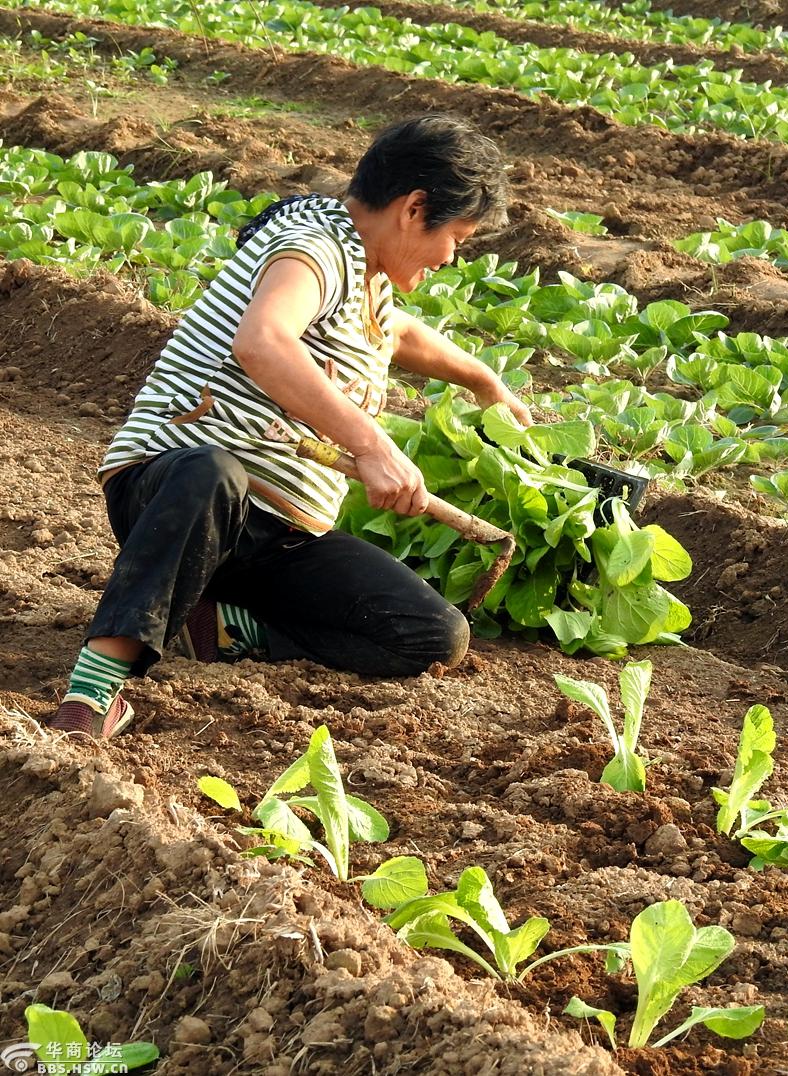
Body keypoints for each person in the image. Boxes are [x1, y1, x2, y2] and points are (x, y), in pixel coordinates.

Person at [48, 114, 532, 740]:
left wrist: (484, 381)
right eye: (457, 238)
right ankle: (93, 695)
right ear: (414, 209)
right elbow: (264, 342)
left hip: (275, 537)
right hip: (179, 499)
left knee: (431, 634)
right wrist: (371, 441)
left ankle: (216, 626)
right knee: (214, 469)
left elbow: (400, 334)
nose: (451, 258)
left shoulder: (367, 274)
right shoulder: (316, 246)